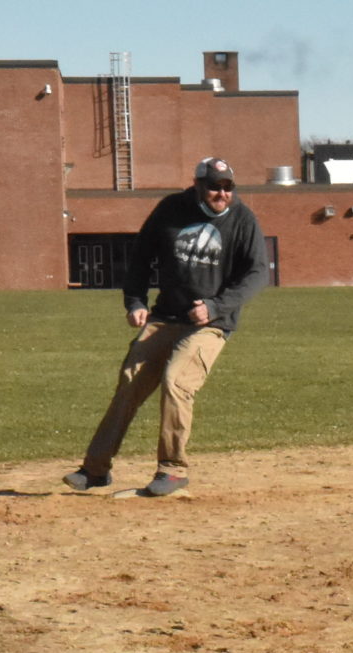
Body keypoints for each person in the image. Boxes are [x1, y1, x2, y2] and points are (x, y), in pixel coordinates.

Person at [63, 157, 270, 499]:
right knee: (130, 380)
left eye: (228, 187)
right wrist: (135, 301)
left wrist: (217, 307)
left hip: (212, 324)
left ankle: (172, 471)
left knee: (176, 380)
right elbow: (142, 256)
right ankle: (95, 470)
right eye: (214, 186)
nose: (221, 193)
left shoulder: (243, 220)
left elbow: (257, 273)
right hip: (166, 317)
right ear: (197, 185)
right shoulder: (171, 209)